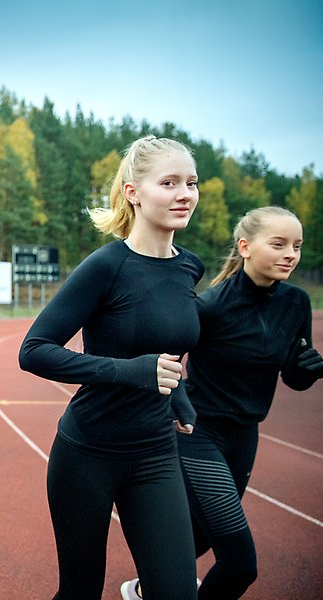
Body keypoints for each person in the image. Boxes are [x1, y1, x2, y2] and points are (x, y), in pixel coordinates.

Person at [19, 136, 203, 600]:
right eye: (169, 182)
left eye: (191, 183)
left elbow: (166, 348)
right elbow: (34, 350)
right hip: (87, 454)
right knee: (80, 591)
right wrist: (130, 372)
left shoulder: (189, 268)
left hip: (156, 453)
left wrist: (175, 392)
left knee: (178, 592)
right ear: (132, 192)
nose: (185, 194)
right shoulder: (106, 266)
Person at [121, 206, 322, 600]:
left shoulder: (296, 303)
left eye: (297, 246)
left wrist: (307, 370)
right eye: (279, 244)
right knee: (240, 564)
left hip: (245, 436)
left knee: (203, 535)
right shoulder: (210, 306)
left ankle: (147, 587)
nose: (291, 255)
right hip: (199, 434)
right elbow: (165, 361)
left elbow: (294, 378)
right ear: (245, 247)